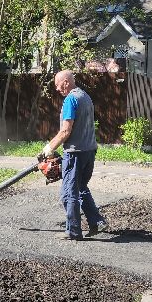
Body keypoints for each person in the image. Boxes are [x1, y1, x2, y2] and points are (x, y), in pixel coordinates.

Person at [41, 70, 108, 241]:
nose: (57, 89)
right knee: (81, 188)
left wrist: (49, 148)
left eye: (57, 85)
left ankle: (73, 231)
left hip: (75, 153)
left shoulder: (71, 99)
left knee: (68, 193)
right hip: (89, 151)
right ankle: (97, 222)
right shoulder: (85, 97)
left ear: (65, 82)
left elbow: (65, 131)